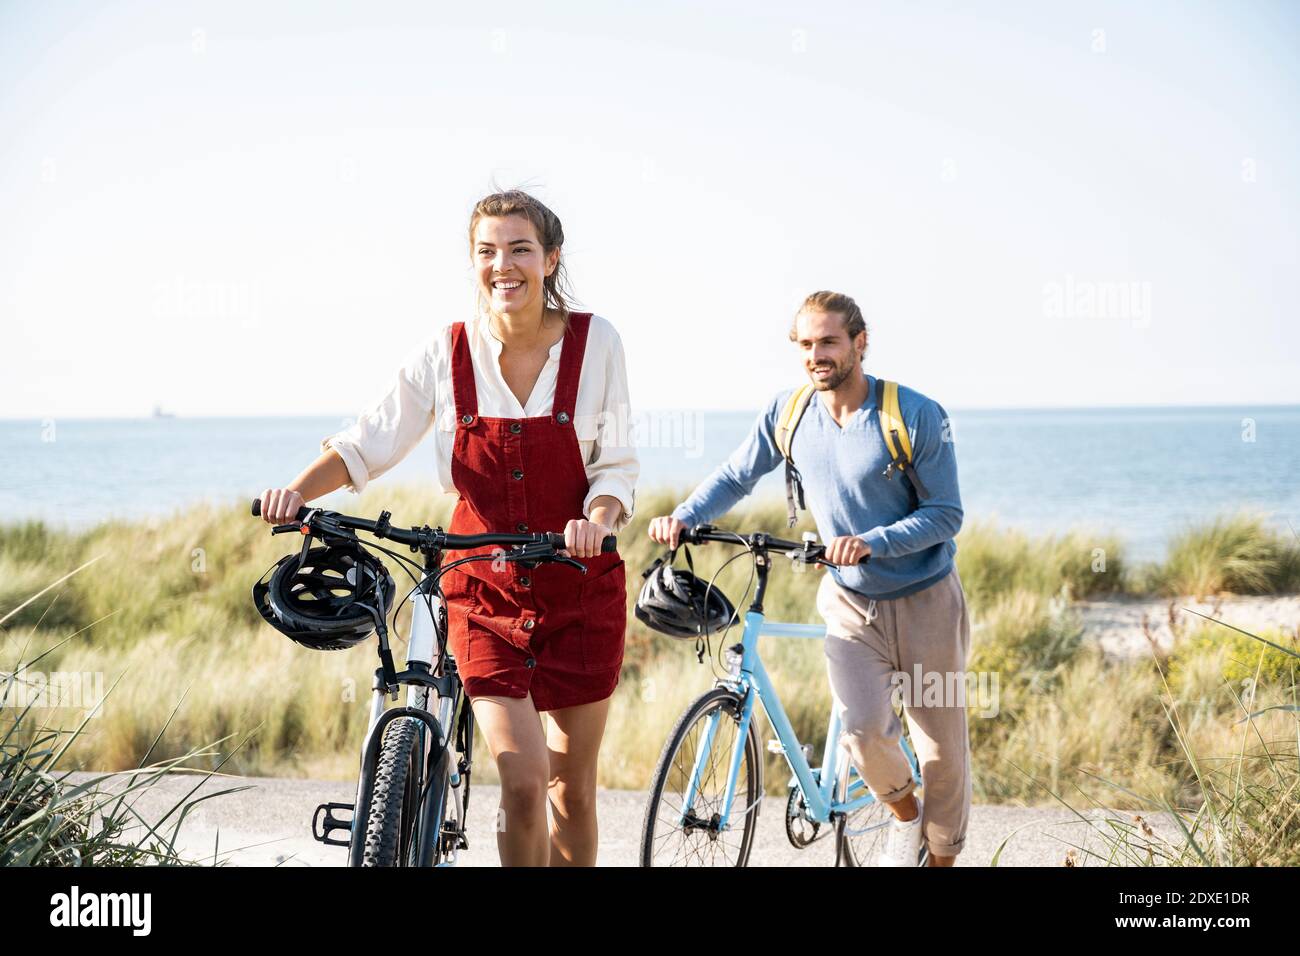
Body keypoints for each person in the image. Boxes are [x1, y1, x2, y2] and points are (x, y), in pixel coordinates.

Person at [258, 189, 638, 866]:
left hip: (579, 587)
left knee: (570, 793)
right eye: (487, 251)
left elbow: (615, 466)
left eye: (521, 249)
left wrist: (597, 518)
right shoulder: (448, 350)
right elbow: (368, 441)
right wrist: (294, 491)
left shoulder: (596, 342)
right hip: (483, 592)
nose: (504, 265)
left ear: (550, 259)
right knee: (523, 785)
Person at [647, 290, 971, 867]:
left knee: (941, 753)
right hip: (849, 601)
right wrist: (687, 516)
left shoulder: (915, 414)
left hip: (926, 601)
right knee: (864, 731)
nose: (816, 354)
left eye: (828, 341)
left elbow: (946, 514)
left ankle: (942, 858)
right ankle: (905, 817)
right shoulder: (790, 412)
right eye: (805, 343)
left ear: (860, 343)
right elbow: (737, 472)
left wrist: (873, 541)